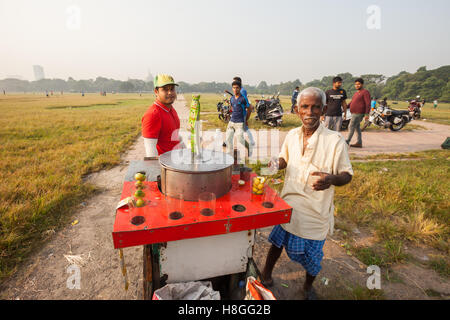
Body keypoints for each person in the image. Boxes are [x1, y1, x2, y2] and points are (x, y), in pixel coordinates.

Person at [261, 87, 353, 300]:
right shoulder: (292, 135)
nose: (310, 112)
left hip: (315, 211)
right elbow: (284, 160)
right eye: (305, 107)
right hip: (289, 204)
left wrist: (331, 179)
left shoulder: (335, 141)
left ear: (324, 109)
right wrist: (276, 163)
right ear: (296, 110)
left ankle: (307, 287)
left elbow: (346, 175)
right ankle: (266, 274)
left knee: (313, 258)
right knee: (276, 243)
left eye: (315, 107)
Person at [142, 74, 184, 157]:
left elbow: (173, 136)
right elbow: (151, 152)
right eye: (165, 89)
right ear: (156, 92)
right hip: (166, 165)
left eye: (172, 89)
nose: (170, 92)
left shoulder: (171, 109)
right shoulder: (153, 115)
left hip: (176, 160)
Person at [225, 80, 251, 157]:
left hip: (240, 123)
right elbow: (233, 108)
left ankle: (249, 147)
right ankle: (230, 154)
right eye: (234, 88)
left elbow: (249, 109)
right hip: (232, 122)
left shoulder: (243, 99)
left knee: (240, 139)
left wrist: (246, 120)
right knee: (228, 139)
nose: (235, 89)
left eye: (237, 88)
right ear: (232, 88)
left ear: (240, 88)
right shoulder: (232, 99)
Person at [346, 78, 371, 148]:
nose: (357, 86)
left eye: (358, 84)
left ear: (362, 84)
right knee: (357, 128)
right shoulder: (356, 93)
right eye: (356, 84)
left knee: (351, 126)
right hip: (353, 112)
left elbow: (368, 103)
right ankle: (359, 142)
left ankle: (347, 141)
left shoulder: (365, 92)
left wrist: (367, 114)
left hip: (359, 113)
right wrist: (345, 107)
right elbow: (352, 102)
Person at [233, 76, 255, 147]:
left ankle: (251, 141)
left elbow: (244, 102)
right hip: (238, 112)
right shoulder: (239, 90)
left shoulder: (242, 91)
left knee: (244, 127)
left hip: (241, 113)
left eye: (234, 82)